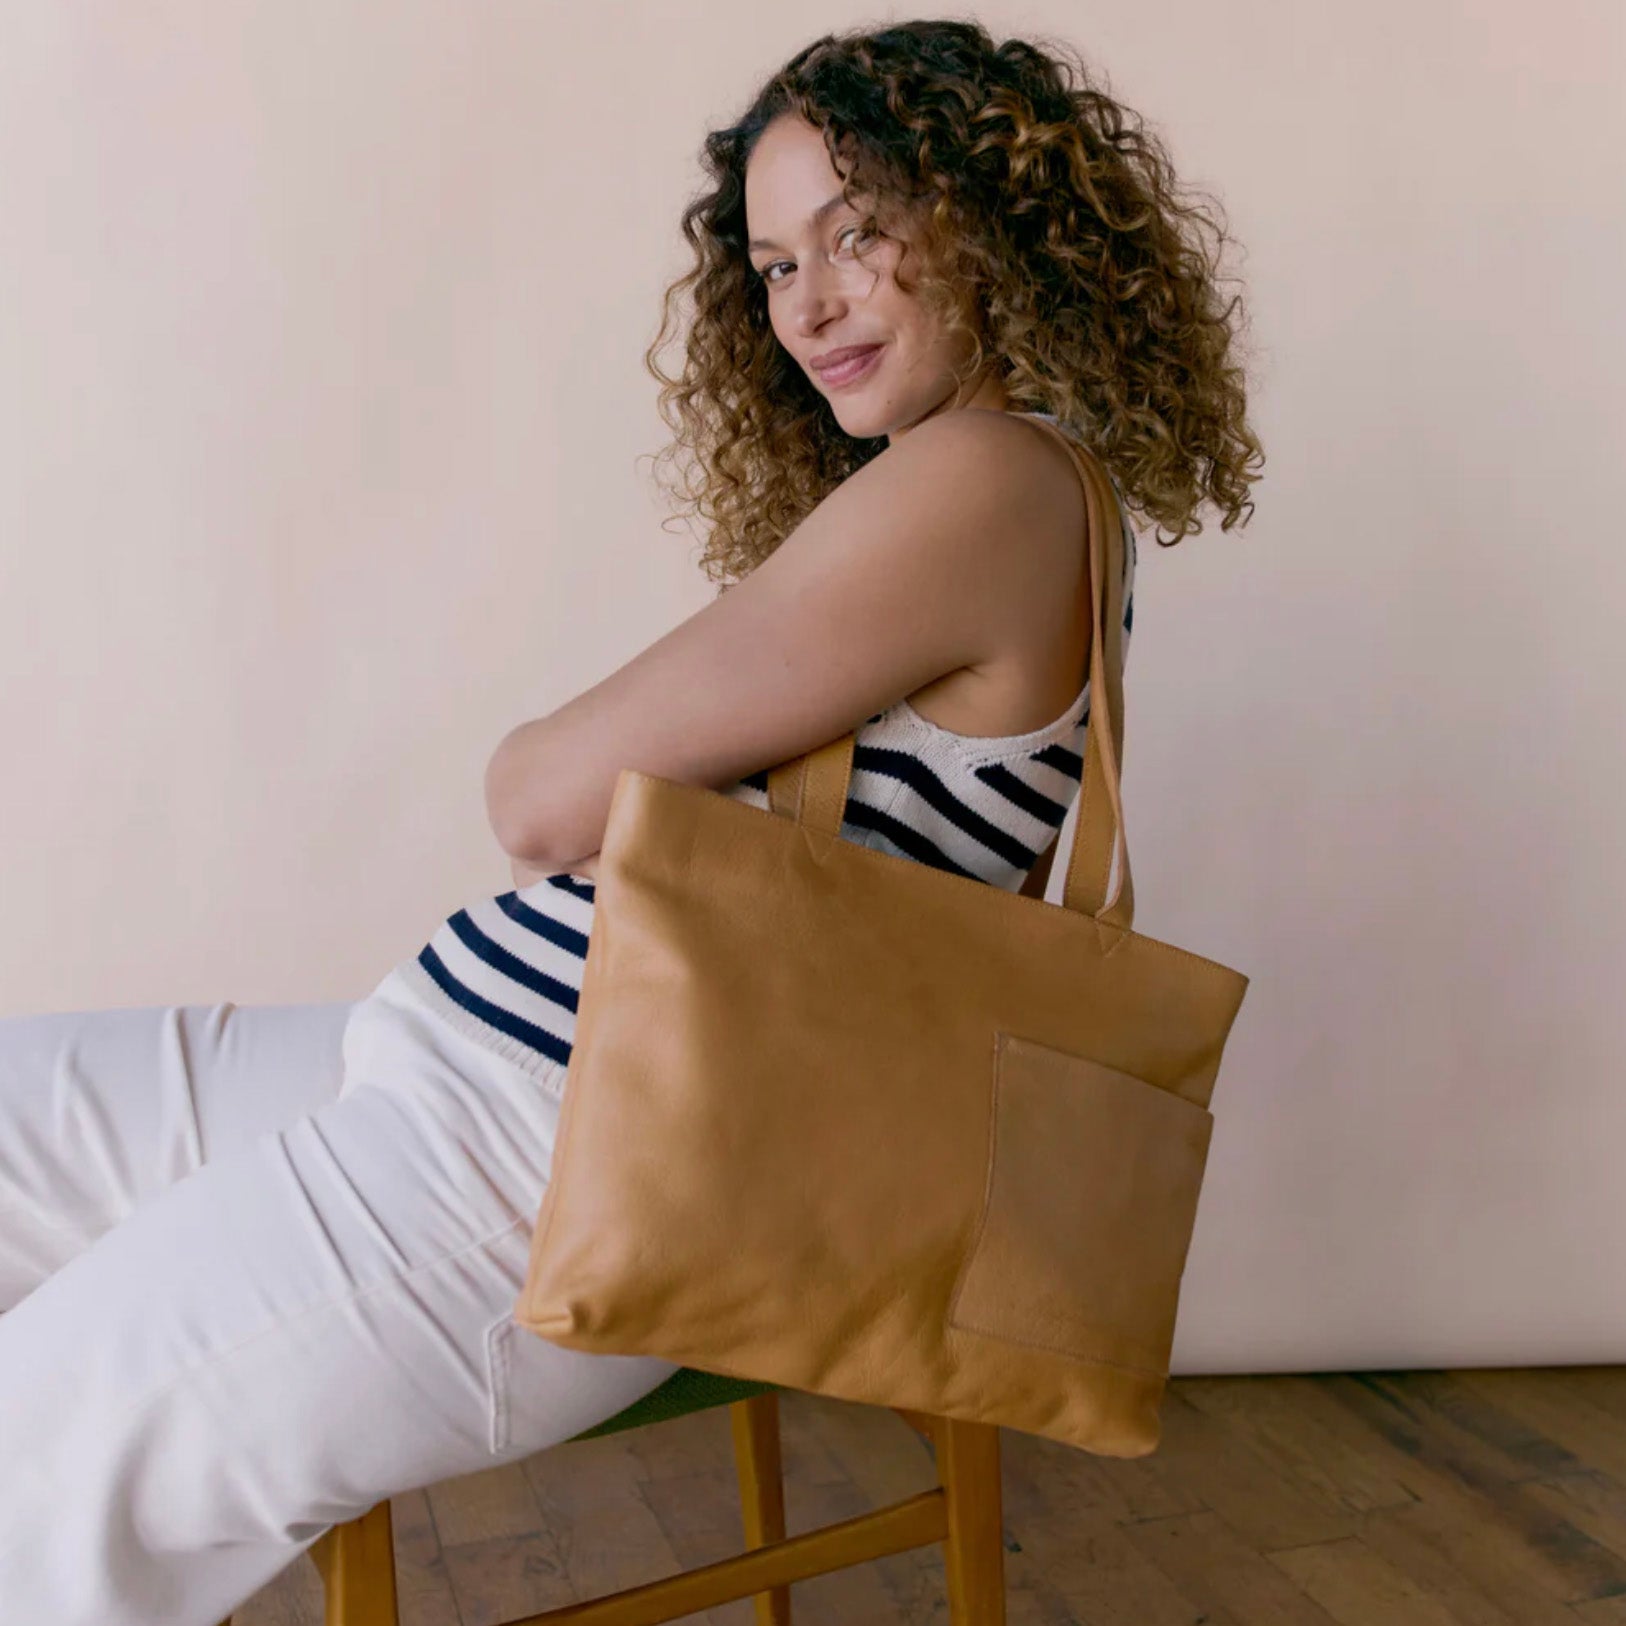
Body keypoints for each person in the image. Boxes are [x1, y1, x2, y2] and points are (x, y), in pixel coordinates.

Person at [0, 18, 1262, 1621]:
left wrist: (572, 773)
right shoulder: (963, 486)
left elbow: (536, 800)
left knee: (36, 1462)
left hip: (550, 1146)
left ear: (989, 220)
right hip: (463, 1057)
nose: (808, 304)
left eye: (858, 234)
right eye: (774, 264)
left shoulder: (986, 482)